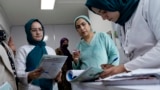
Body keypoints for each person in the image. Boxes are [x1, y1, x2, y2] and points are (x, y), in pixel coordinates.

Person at [85, 0, 160, 78]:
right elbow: (131, 56)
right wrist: (116, 68)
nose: (103, 18)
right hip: (141, 77)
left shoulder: (149, 4)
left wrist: (124, 68)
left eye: (103, 11)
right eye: (99, 14)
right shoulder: (119, 24)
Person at [15, 19, 58, 90]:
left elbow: (54, 71)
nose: (38, 32)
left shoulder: (51, 50)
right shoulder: (22, 50)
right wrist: (29, 75)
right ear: (28, 32)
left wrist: (57, 77)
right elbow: (19, 73)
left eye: (40, 29)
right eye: (34, 30)